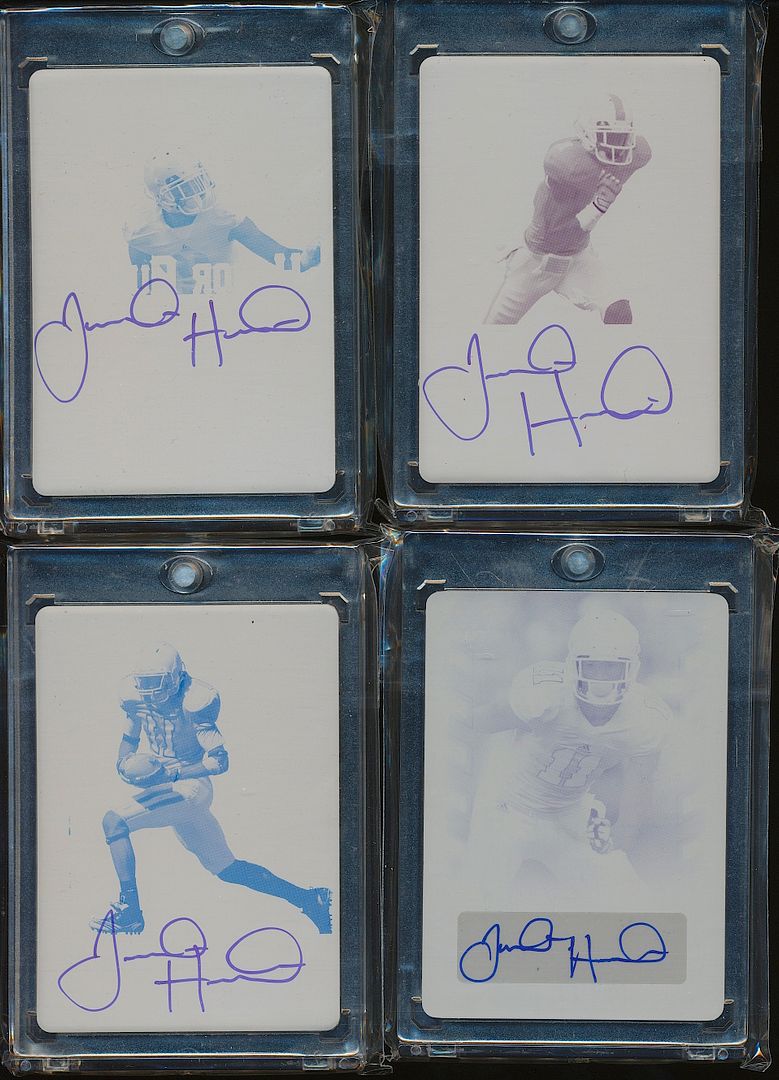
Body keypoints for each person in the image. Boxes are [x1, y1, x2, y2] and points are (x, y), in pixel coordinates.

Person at [93, 643, 331, 936]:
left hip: (191, 787)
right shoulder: (133, 698)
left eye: (157, 682)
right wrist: (123, 763)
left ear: (175, 678)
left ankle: (130, 911)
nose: (150, 691)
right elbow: (130, 737)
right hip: (172, 787)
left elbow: (219, 761)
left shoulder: (195, 700)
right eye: (145, 683)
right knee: (227, 868)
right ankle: (309, 899)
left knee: (114, 822)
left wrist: (174, 772)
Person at [467, 611, 669, 896]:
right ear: (573, 665)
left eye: (611, 668)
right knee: (478, 896)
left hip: (571, 814)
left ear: (631, 669)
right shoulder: (545, 695)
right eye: (592, 667)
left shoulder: (644, 720)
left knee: (630, 895)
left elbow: (639, 788)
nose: (601, 680)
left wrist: (614, 833)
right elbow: (476, 722)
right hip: (508, 807)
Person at [484, 95, 652, 327]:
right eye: (610, 136)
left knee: (618, 311)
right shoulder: (568, 165)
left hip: (578, 257)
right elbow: (558, 232)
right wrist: (597, 207)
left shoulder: (632, 155)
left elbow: (641, 150)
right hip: (537, 260)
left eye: (622, 136)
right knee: (493, 330)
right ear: (586, 135)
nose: (618, 145)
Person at [126, 153, 320, 294]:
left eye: (196, 182)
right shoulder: (142, 231)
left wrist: (306, 259)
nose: (196, 193)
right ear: (161, 195)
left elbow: (276, 253)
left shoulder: (224, 216)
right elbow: (143, 285)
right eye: (184, 188)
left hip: (227, 302)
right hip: (176, 308)